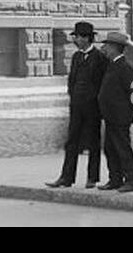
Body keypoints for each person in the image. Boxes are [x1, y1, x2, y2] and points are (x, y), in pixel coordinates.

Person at [45, 20, 106, 188]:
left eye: (78, 37)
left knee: (94, 143)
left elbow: (101, 83)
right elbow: (72, 80)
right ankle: (66, 177)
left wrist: (97, 103)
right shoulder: (77, 56)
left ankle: (92, 178)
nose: (76, 40)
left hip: (92, 108)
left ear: (86, 38)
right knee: (71, 142)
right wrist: (72, 97)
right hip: (77, 107)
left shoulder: (99, 57)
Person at [96, 30, 133, 192]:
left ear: (115, 47)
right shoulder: (112, 64)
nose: (105, 49)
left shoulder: (125, 66)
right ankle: (115, 179)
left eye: (107, 45)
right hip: (110, 115)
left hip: (121, 116)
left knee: (123, 149)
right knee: (110, 149)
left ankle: (131, 180)